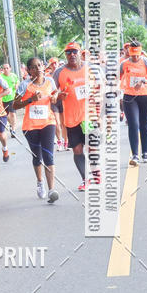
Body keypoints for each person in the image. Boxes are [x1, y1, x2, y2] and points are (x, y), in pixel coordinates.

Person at [13, 57, 59, 203]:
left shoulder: (50, 81)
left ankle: (52, 190)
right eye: (34, 67)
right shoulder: (24, 85)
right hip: (30, 126)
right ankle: (40, 182)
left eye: (39, 65)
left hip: (48, 122)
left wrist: (56, 96)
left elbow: (55, 93)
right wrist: (30, 100)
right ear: (29, 71)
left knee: (48, 155)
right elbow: (14, 105)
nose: (38, 68)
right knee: (37, 156)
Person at [53, 42, 91, 190]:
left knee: (92, 147)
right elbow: (52, 93)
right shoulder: (59, 72)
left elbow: (102, 86)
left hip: (88, 116)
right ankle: (85, 179)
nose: (72, 55)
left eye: (74, 51)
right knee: (77, 150)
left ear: (79, 52)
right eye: (68, 52)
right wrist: (58, 95)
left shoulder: (89, 68)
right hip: (70, 118)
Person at [120, 40, 147, 164]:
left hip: (145, 96)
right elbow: (115, 77)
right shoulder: (124, 64)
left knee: (144, 124)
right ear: (129, 52)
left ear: (140, 52)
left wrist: (143, 80)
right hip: (129, 97)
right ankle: (135, 155)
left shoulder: (146, 61)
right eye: (132, 54)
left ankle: (145, 153)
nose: (135, 57)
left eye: (137, 54)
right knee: (133, 124)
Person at [0, 62, 19, 137]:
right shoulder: (0, 77)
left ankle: (13, 130)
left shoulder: (13, 76)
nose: (6, 70)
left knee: (13, 114)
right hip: (3, 99)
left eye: (7, 68)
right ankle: (11, 125)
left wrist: (16, 85)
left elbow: (17, 81)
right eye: (4, 68)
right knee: (6, 115)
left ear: (10, 68)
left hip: (12, 98)